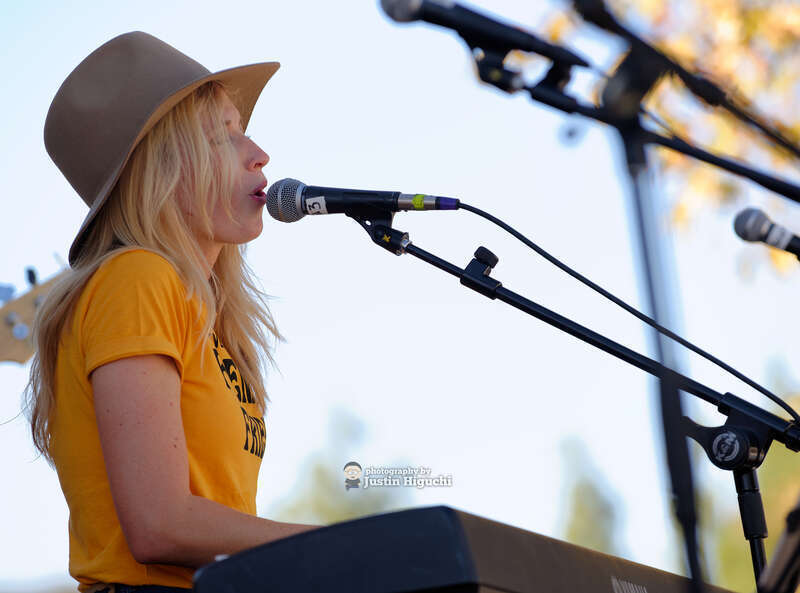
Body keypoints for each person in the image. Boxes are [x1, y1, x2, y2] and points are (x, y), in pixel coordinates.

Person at [24, 32, 317, 593]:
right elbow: (160, 527)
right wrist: (338, 546)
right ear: (159, 169)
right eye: (221, 135)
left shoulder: (199, 307)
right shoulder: (138, 278)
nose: (258, 152)